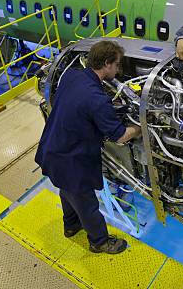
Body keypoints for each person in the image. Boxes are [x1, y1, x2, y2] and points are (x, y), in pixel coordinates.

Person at [35, 40, 141, 255]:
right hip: (71, 161)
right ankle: (100, 242)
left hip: (51, 149)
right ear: (106, 64)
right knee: (87, 203)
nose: (118, 69)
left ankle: (71, 226)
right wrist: (139, 128)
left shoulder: (72, 75)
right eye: (117, 65)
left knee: (66, 192)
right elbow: (120, 136)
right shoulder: (97, 100)